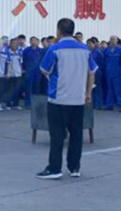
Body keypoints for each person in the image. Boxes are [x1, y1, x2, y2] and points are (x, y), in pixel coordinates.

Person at [37, 18, 97, 180]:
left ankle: (55, 168)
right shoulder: (84, 49)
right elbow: (92, 72)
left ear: (58, 30)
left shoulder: (55, 49)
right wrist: (88, 93)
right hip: (78, 98)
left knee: (57, 135)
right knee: (76, 134)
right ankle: (74, 167)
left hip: (59, 98)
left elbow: (44, 69)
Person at [104, 36, 121, 112]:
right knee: (110, 89)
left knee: (119, 90)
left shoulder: (120, 50)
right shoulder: (107, 50)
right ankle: (109, 105)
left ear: (117, 40)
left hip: (118, 73)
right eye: (111, 39)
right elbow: (105, 60)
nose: (112, 41)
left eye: (114, 39)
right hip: (109, 72)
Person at [86, 38, 104, 110]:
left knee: (98, 88)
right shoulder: (87, 52)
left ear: (94, 44)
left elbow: (102, 62)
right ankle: (92, 104)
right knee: (90, 88)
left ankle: (98, 104)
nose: (89, 45)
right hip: (89, 72)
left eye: (90, 43)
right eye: (88, 43)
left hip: (97, 72)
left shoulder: (98, 52)